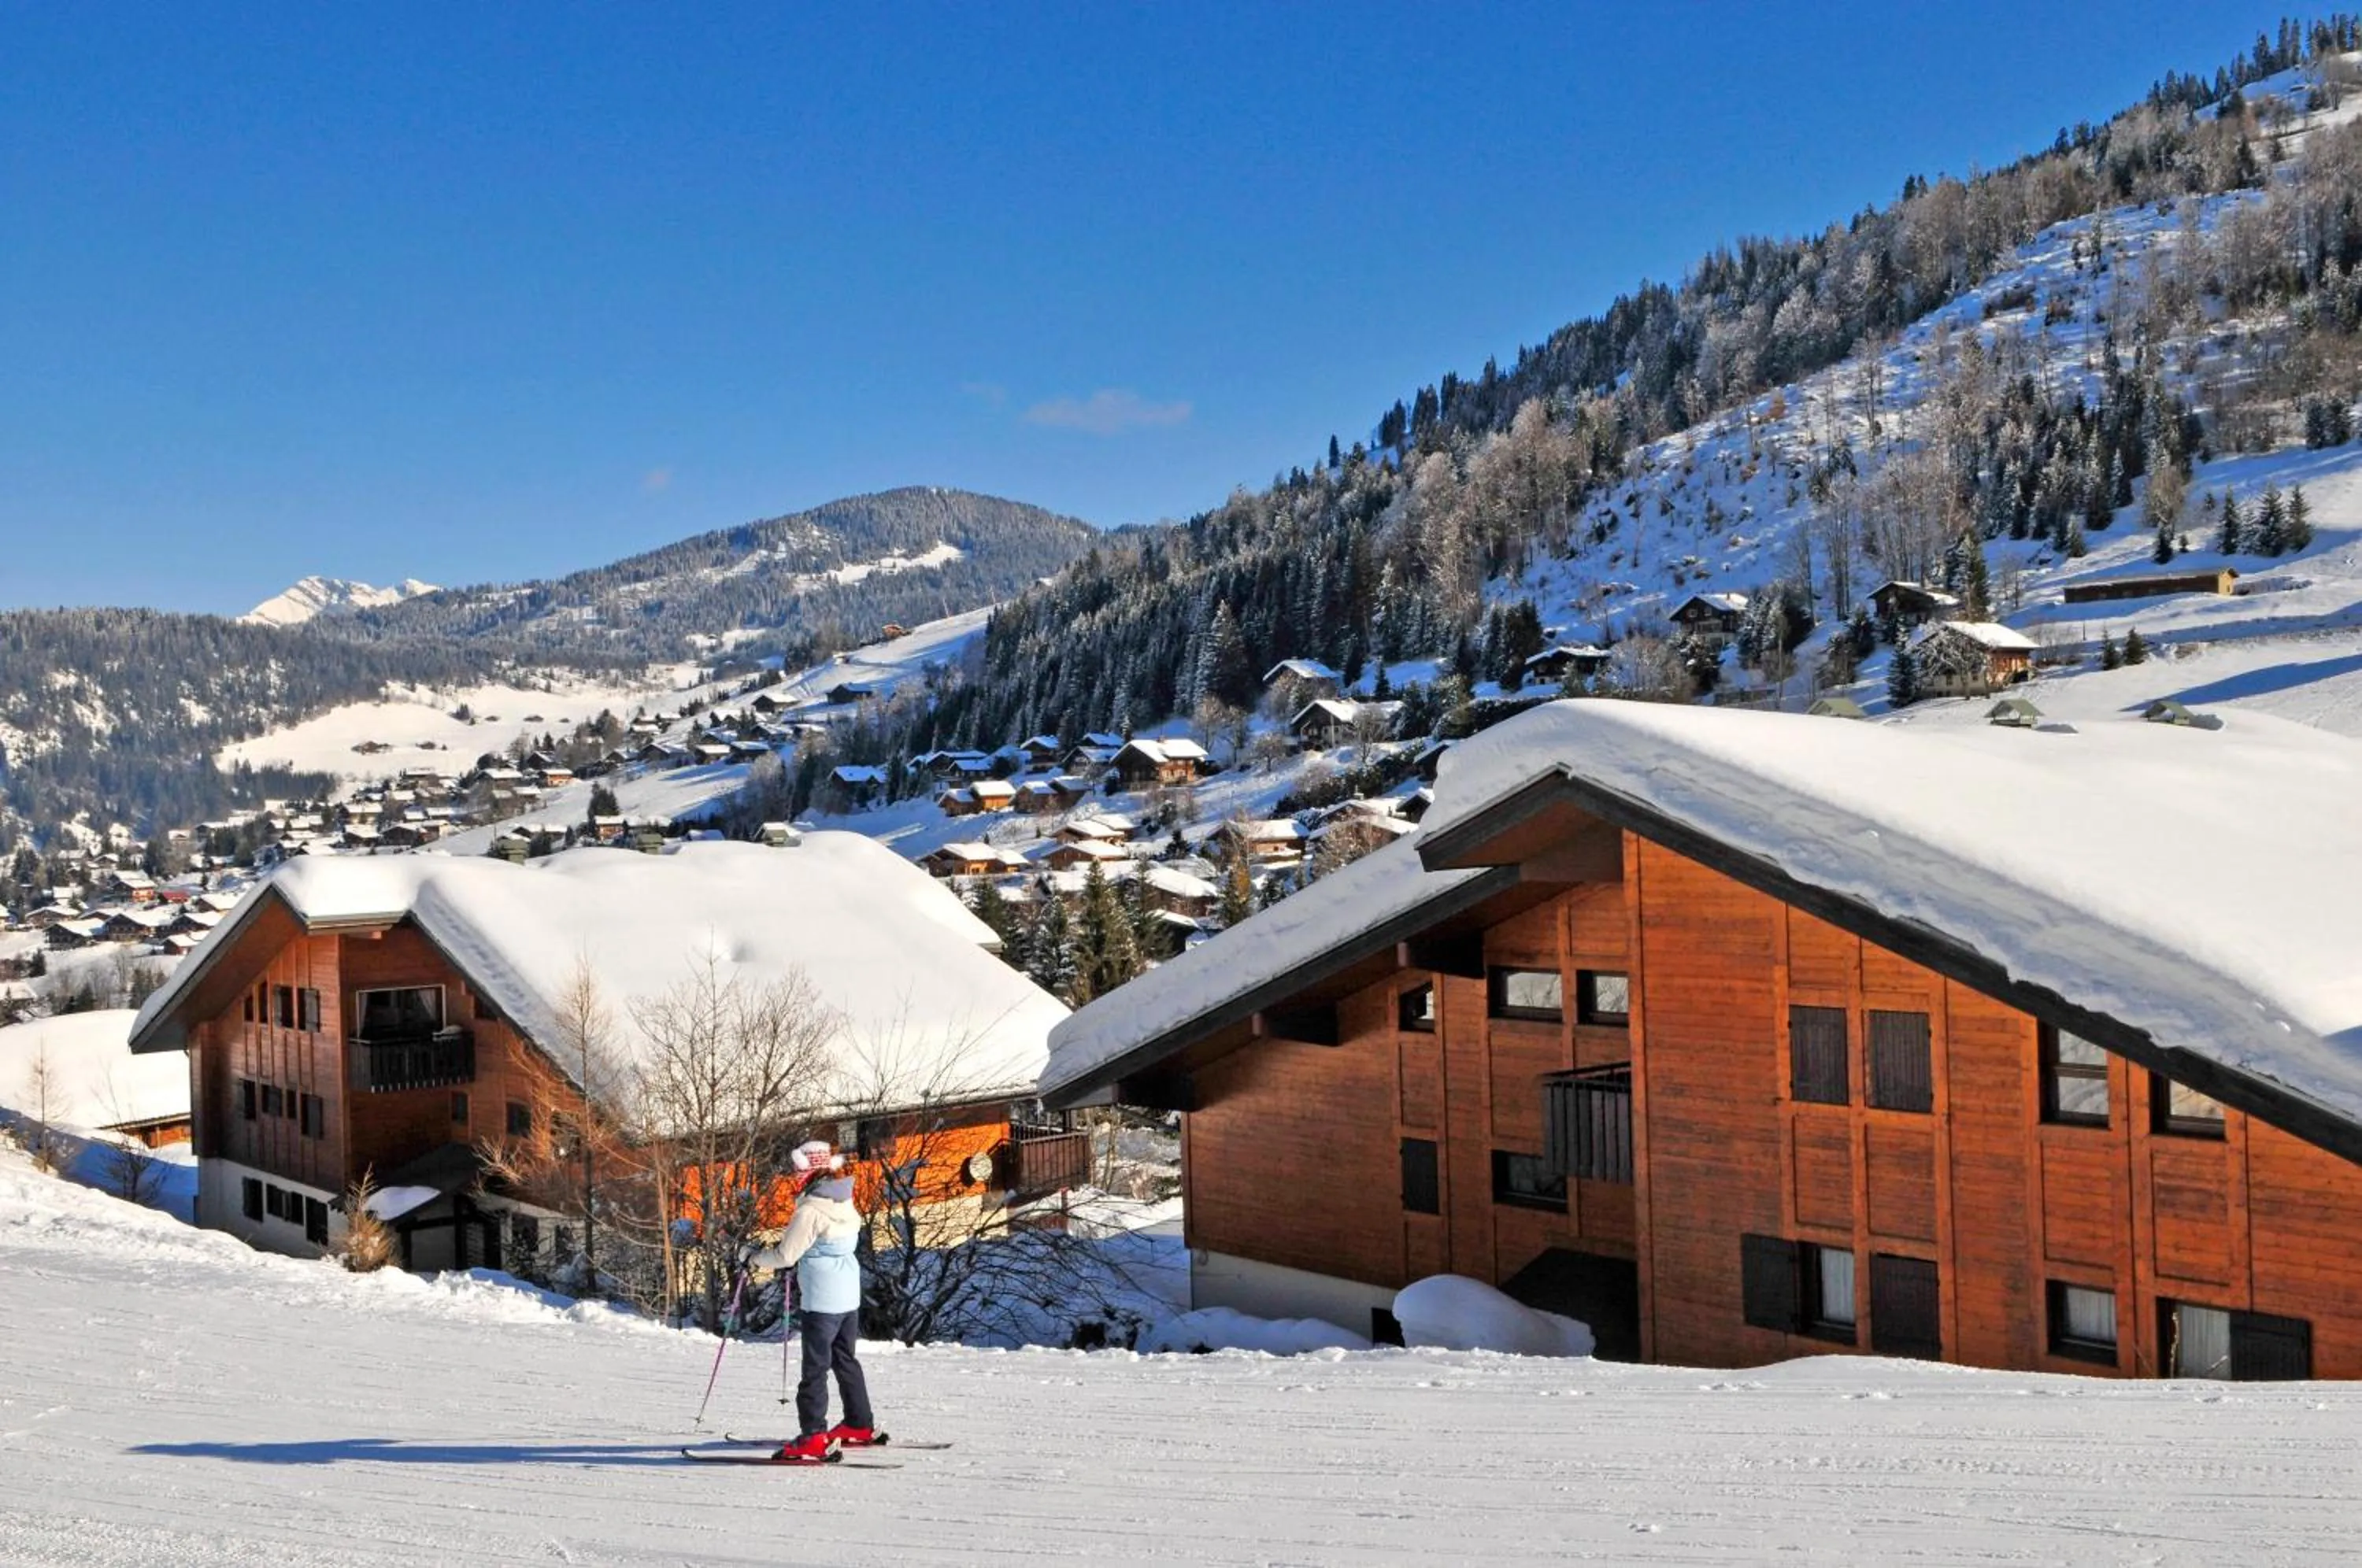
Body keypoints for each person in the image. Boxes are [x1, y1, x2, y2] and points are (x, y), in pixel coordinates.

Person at [750, 1139, 878, 1462]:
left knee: (814, 1369)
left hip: (821, 1301)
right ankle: (859, 1423)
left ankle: (813, 1436)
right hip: (848, 1295)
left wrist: (751, 1256)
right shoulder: (845, 1201)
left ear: (805, 1173)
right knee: (845, 1359)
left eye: (796, 1172)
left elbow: (784, 1255)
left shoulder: (809, 1211)